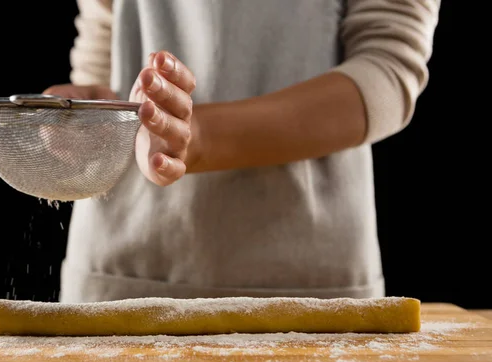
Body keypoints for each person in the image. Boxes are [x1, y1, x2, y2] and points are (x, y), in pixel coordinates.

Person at [44, 0, 441, 302]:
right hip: (116, 275)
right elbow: (107, 34)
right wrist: (94, 112)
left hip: (305, 288)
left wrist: (197, 136)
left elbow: (388, 69)